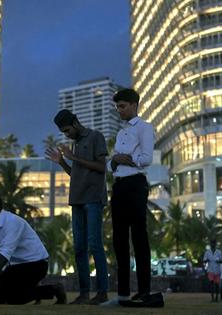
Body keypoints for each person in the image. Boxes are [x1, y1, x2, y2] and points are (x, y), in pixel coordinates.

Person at [45, 109, 109, 305]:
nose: (66, 134)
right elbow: (77, 174)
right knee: (79, 248)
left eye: (67, 130)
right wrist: (62, 162)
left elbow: (101, 167)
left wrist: (73, 157)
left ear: (75, 122)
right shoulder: (75, 144)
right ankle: (84, 293)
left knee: (94, 244)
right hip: (77, 201)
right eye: (63, 132)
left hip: (93, 199)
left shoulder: (95, 137)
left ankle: (102, 292)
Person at [103, 88, 154, 305]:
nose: (119, 111)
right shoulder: (121, 133)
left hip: (135, 184)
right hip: (119, 185)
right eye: (117, 107)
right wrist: (116, 160)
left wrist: (124, 159)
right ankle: (122, 293)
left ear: (134, 105)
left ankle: (144, 291)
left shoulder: (145, 127)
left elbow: (147, 158)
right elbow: (109, 164)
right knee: (119, 240)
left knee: (139, 238)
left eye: (122, 106)